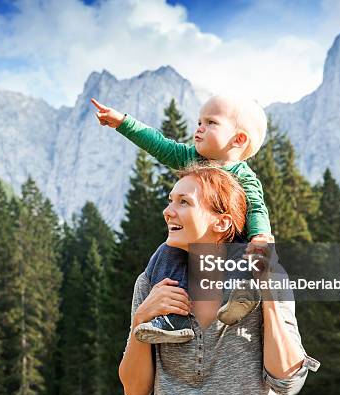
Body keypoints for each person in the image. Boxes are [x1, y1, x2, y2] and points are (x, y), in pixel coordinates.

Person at [118, 166, 320, 395]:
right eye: (170, 201)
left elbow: (286, 383)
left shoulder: (266, 276)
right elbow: (135, 393)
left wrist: (269, 296)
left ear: (222, 223)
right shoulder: (153, 284)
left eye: (184, 202)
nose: (167, 212)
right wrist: (141, 320)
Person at [91, 95, 273, 342]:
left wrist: (260, 236)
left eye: (211, 122)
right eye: (199, 121)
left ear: (239, 139)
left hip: (229, 241)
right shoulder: (192, 159)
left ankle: (242, 296)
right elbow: (158, 144)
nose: (199, 127)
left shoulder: (244, 176)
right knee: (167, 254)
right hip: (192, 243)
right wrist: (122, 122)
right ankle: (173, 320)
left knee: (244, 255)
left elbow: (256, 209)